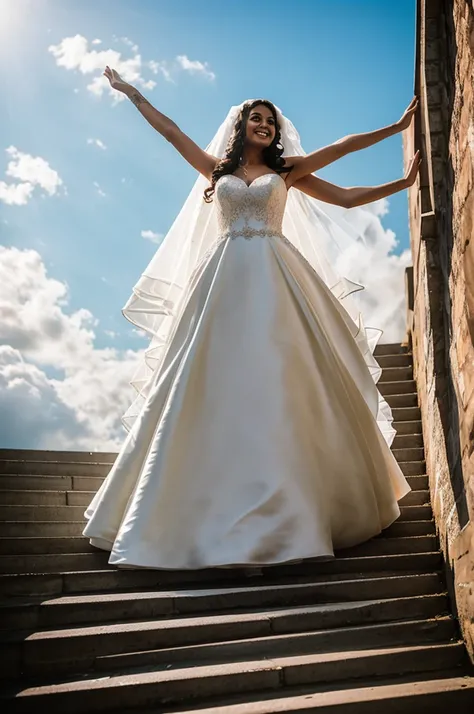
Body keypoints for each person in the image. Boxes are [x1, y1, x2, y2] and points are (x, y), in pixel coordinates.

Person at [83, 66, 419, 570]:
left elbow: (346, 178)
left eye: (269, 121)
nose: (263, 125)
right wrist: (132, 93)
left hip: (276, 273)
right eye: (255, 119)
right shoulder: (215, 172)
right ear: (241, 128)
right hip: (220, 280)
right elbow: (172, 131)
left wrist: (399, 152)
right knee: (200, 380)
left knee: (283, 373)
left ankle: (298, 506)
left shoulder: (289, 174)